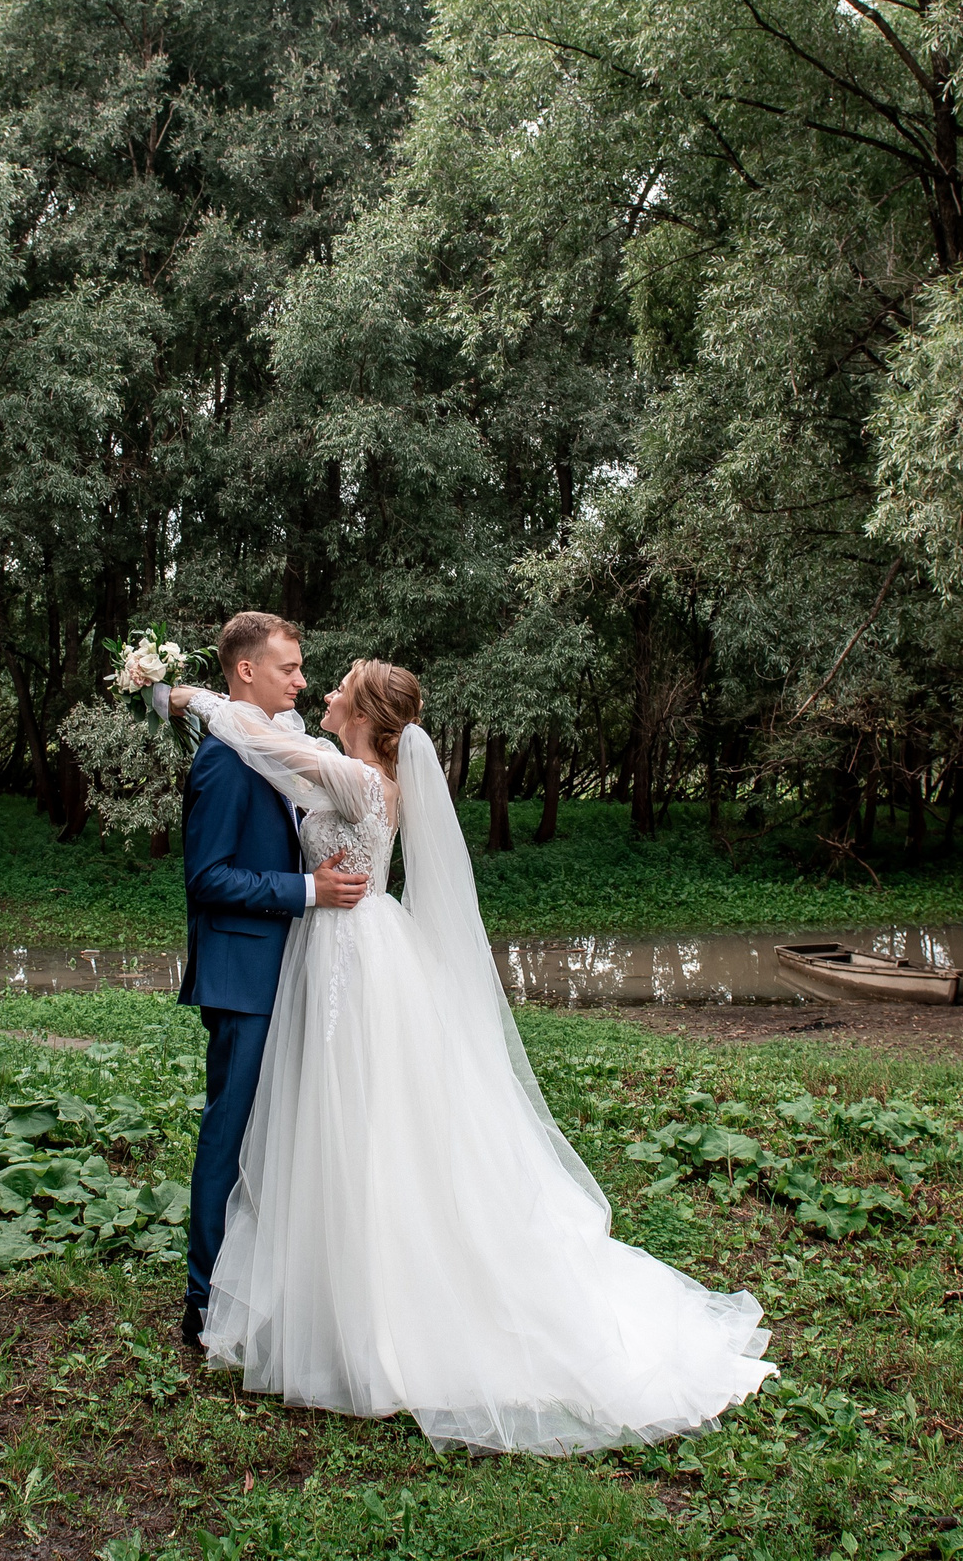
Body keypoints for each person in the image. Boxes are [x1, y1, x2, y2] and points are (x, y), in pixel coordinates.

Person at [164, 658, 776, 1455]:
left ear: (368, 712)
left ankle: (374, 1314)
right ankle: (329, 1289)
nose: (325, 688)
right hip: (338, 951)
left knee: (364, 1124)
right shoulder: (363, 769)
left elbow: (265, 744)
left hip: (355, 952)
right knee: (340, 1118)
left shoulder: (354, 777)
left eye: (341, 681)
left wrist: (194, 697)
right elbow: (270, 741)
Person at [168, 613, 369, 1356]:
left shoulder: (274, 745)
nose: (302, 679)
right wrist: (307, 890)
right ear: (246, 671)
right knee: (229, 1132)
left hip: (286, 968)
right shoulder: (224, 758)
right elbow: (207, 877)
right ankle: (203, 1302)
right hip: (244, 974)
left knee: (272, 1136)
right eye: (289, 667)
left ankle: (258, 1284)